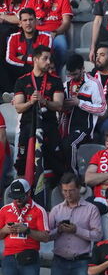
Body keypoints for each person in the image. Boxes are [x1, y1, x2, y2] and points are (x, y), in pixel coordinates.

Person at [13, 45, 65, 186]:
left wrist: (44, 102)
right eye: (45, 58)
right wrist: (31, 102)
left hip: (49, 126)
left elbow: (59, 105)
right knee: (23, 162)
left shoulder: (55, 80)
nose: (48, 62)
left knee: (56, 161)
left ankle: (58, 193)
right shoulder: (22, 81)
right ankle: (23, 192)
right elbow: (18, 107)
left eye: (50, 59)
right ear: (35, 59)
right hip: (28, 127)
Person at [48, 173, 101, 275]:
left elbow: (98, 235)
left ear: (79, 189)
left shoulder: (91, 209)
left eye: (71, 190)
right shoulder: (56, 210)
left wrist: (77, 230)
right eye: (65, 191)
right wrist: (59, 230)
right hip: (59, 261)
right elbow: (47, 236)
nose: (67, 194)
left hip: (81, 261)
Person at [0, 179, 49, 275]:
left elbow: (45, 237)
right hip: (9, 256)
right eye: (14, 197)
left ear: (28, 193)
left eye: (20, 197)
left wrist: (27, 230)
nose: (17, 200)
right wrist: (5, 230)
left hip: (29, 256)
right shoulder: (5, 210)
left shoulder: (38, 210)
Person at [27, 0, 72, 68]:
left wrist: (55, 32)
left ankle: (58, 76)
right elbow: (26, 20)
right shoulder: (32, 1)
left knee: (62, 47)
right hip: (37, 35)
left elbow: (66, 23)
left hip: (56, 33)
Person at [4, 7, 51, 86]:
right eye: (25, 20)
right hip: (20, 69)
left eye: (31, 20)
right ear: (20, 23)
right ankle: (9, 93)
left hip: (38, 71)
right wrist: (26, 64)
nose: (28, 23)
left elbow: (44, 59)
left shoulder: (46, 37)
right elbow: (9, 58)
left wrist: (23, 57)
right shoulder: (13, 37)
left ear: (36, 21)